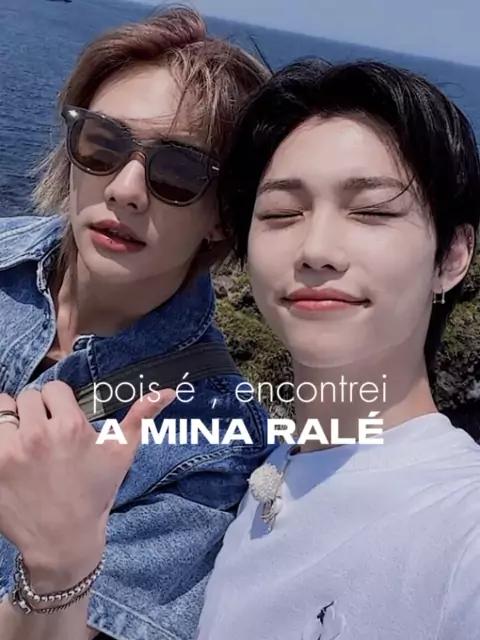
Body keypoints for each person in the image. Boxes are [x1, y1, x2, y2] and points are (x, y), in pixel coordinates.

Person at [0, 7, 273, 640]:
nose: (125, 188)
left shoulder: (212, 440)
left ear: (224, 216)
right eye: (102, 143)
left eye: (179, 172)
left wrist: (59, 560)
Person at [196, 59, 480, 639]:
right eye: (282, 213)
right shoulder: (251, 487)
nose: (317, 249)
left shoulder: (460, 528)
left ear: (452, 256)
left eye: (372, 211)